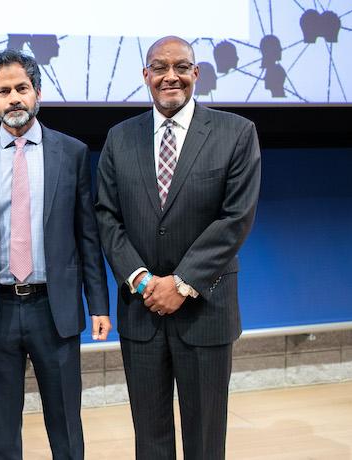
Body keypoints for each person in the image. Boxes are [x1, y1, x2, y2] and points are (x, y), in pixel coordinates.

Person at [95, 36, 261, 459]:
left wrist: (183, 282)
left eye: (182, 67)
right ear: (145, 75)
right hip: (141, 309)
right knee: (149, 437)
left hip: (206, 309)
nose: (172, 76)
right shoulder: (119, 138)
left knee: (205, 439)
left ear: (196, 74)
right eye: (160, 67)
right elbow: (107, 216)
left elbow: (235, 217)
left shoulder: (237, 133)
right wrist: (142, 279)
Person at [0, 49, 111, 460]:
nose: (13, 98)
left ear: (37, 92)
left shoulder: (72, 152)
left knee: (65, 425)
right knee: (2, 429)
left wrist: (98, 303)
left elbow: (87, 235)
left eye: (21, 88)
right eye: (3, 91)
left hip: (53, 309)